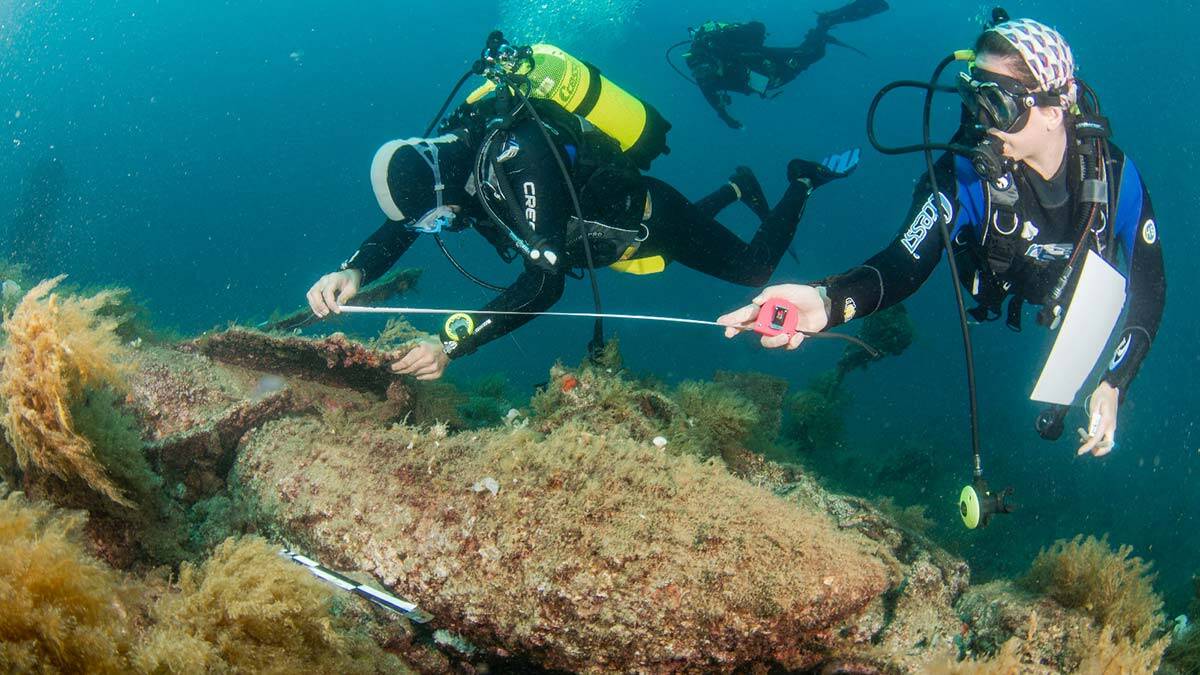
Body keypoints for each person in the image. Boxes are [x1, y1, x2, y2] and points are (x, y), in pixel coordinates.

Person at [717, 18, 1166, 458]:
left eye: (998, 106)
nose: (980, 123)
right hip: (1003, 284)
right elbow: (901, 264)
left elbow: (1150, 287)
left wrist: (1114, 382)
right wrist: (829, 301)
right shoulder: (962, 177)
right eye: (973, 98)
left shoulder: (1114, 178)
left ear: (1053, 110)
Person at [306, 94, 858, 381]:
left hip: (647, 216)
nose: (437, 229)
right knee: (655, 254)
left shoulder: (521, 163)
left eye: (433, 221)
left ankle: (802, 179)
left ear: (439, 184)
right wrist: (354, 270)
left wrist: (452, 343)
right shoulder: (456, 163)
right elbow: (407, 221)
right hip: (605, 238)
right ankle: (736, 187)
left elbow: (544, 285)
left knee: (754, 270)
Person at [684, 0, 890, 129]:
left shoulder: (725, 51)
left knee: (813, 53)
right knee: (811, 54)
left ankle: (827, 21)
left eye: (706, 68)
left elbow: (757, 31)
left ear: (711, 59)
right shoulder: (706, 79)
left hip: (772, 65)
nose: (705, 74)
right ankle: (822, 28)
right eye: (700, 73)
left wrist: (730, 48)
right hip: (771, 80)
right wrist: (725, 117)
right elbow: (711, 97)